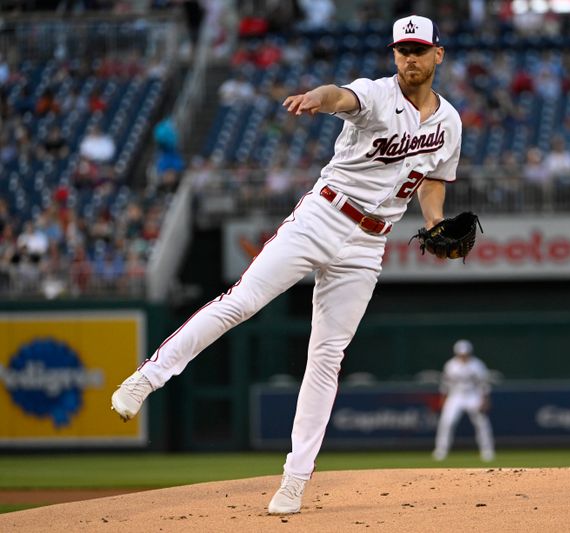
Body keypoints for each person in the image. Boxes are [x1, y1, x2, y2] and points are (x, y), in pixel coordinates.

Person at [111, 15, 462, 516]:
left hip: (368, 245)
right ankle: (146, 378)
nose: (410, 58)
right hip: (323, 214)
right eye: (402, 49)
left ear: (437, 54)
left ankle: (294, 482)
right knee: (242, 302)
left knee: (327, 358)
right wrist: (318, 98)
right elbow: (341, 95)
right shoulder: (378, 94)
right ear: (393, 55)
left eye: (419, 49)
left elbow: (432, 180)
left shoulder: (449, 121)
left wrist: (434, 222)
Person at [432, 339, 495, 462]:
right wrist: (443, 399)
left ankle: (487, 451)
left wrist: (485, 399)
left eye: (465, 353)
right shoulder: (451, 365)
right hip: (455, 396)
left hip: (473, 395)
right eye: (461, 354)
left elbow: (484, 384)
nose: (463, 356)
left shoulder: (477, 365)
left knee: (482, 423)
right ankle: (441, 450)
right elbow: (445, 385)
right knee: (447, 422)